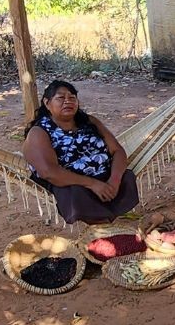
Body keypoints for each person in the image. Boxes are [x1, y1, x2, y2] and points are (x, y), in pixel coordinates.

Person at [23, 80, 139, 225]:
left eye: (72, 98)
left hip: (106, 179)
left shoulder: (90, 122)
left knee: (127, 176)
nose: (67, 101)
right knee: (74, 192)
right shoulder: (39, 132)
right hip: (69, 182)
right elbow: (49, 172)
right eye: (60, 98)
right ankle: (100, 223)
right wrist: (93, 184)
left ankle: (106, 215)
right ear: (47, 103)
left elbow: (118, 151)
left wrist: (114, 181)